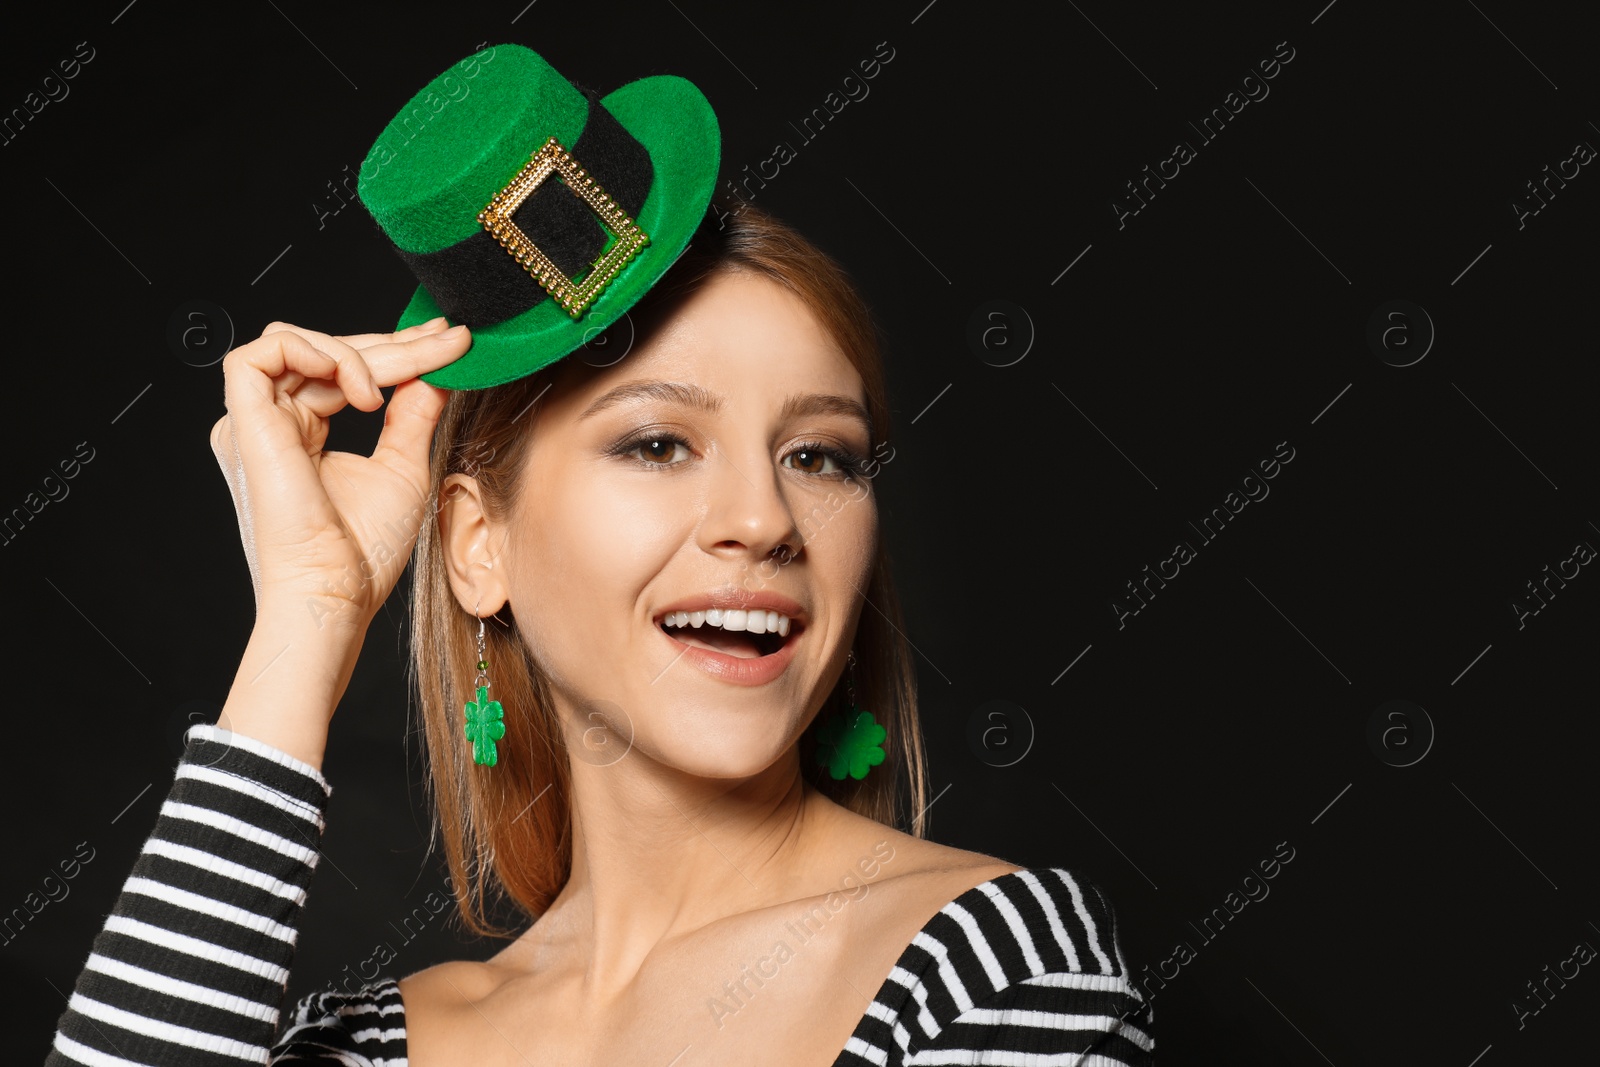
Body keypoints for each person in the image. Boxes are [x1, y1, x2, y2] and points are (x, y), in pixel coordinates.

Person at [47, 44, 1154, 1066]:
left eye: (820, 456)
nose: (764, 520)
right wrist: (308, 613)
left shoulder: (990, 974)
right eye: (659, 442)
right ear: (480, 548)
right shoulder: (360, 1045)